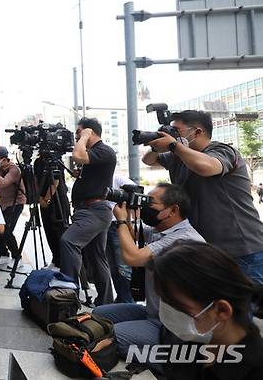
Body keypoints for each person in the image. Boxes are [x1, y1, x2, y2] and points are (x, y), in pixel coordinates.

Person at [92, 183, 205, 371]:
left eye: (151, 203)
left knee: (112, 337)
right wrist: (128, 211)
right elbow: (131, 234)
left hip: (173, 329)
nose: (146, 207)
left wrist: (120, 221)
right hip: (153, 313)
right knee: (99, 315)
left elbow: (133, 257)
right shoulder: (162, 230)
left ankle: (175, 365)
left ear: (173, 210)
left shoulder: (184, 239)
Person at [143, 110, 263, 283]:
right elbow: (149, 160)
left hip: (243, 249)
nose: (173, 136)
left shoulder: (222, 150)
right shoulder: (179, 156)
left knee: (251, 308)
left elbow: (206, 167)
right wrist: (156, 144)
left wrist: (174, 145)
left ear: (197, 132)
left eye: (176, 131)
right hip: (207, 250)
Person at [152, 241, 263, 379]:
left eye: (178, 307)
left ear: (222, 310)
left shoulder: (254, 370)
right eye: (165, 301)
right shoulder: (179, 341)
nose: (168, 313)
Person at [59, 117, 116, 306]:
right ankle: (106, 302)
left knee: (69, 241)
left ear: (89, 132)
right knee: (97, 257)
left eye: (79, 133)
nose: (76, 138)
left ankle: (67, 294)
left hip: (94, 210)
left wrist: (83, 137)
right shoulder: (96, 153)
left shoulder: (104, 150)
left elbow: (78, 156)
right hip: (92, 209)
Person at [35, 156, 70, 270]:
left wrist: (46, 199)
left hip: (58, 200)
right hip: (43, 200)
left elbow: (55, 181)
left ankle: (63, 264)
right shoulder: (38, 161)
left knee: (60, 232)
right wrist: (39, 198)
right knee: (48, 231)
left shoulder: (57, 160)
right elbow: (36, 180)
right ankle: (55, 261)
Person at [106, 173, 137, 303]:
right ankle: (121, 297)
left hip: (118, 224)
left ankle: (129, 301)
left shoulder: (115, 177)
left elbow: (135, 191)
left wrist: (129, 219)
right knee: (112, 266)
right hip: (104, 225)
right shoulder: (92, 178)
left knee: (123, 266)